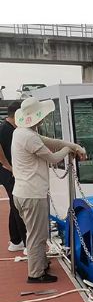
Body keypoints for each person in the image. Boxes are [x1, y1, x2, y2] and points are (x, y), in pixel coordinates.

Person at [12, 97, 86, 284]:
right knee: (37, 235)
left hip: (22, 192)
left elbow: (52, 142)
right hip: (32, 194)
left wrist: (74, 146)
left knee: (35, 232)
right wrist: (69, 150)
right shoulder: (29, 137)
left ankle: (41, 263)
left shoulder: (21, 132)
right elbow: (53, 158)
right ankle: (36, 273)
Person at [0, 100, 28, 251]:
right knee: (18, 206)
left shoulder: (11, 129)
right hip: (8, 172)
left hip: (9, 171)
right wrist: (8, 166)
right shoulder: (5, 129)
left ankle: (16, 241)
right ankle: (26, 243)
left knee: (14, 205)